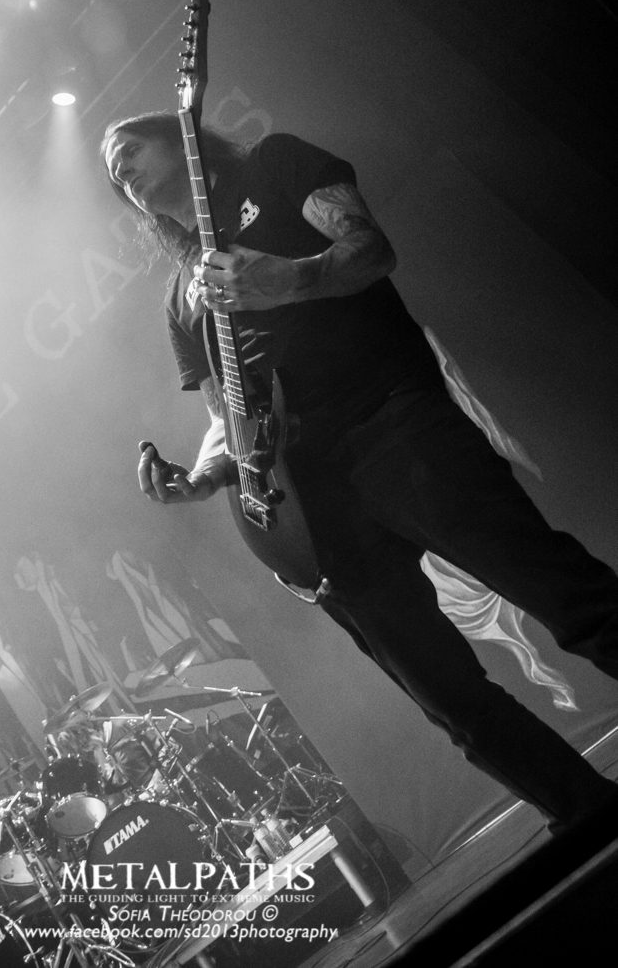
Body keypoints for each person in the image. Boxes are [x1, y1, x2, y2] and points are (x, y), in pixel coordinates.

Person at [101, 111, 618, 833]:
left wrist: (293, 279)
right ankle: (587, 818)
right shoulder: (178, 295)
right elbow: (228, 412)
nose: (121, 170)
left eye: (128, 149)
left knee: (560, 591)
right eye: (112, 172)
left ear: (177, 136)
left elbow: (370, 250)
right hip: (312, 503)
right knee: (444, 695)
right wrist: (203, 476)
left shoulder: (274, 165)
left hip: (391, 424)